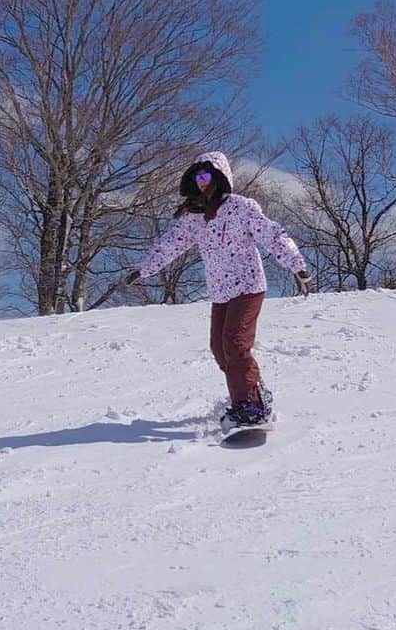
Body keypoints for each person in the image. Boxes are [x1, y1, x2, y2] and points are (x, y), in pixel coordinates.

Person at [126, 151, 311, 434]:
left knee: (235, 343)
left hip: (248, 286)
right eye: (197, 176)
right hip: (221, 292)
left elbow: (272, 235)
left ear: (220, 176)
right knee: (219, 349)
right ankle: (252, 392)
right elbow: (170, 244)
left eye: (207, 175)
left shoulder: (242, 207)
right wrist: (144, 268)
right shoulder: (193, 218)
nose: (202, 182)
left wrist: (296, 265)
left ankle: (251, 407)